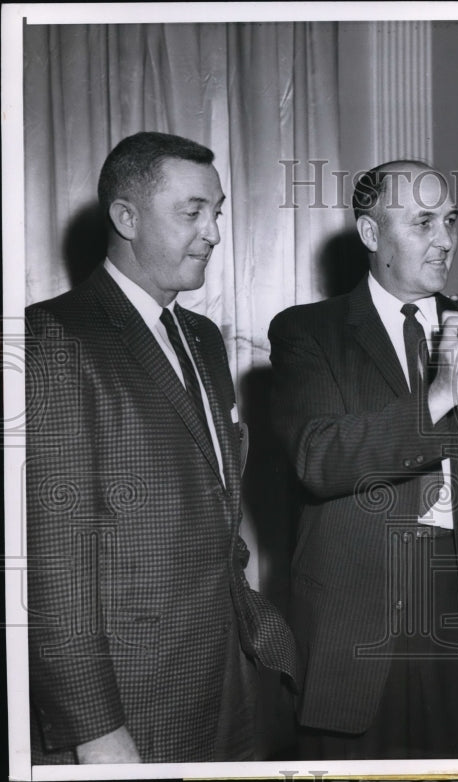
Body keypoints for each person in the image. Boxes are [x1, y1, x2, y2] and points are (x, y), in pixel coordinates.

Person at [26, 131, 297, 764]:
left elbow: (215, 508)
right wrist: (94, 729)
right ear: (125, 217)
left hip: (227, 680)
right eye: (192, 212)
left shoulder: (201, 336)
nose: (213, 233)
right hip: (131, 700)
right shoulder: (52, 339)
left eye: (218, 211)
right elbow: (53, 561)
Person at [268, 160, 458, 759]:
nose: (445, 239)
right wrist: (441, 392)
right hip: (362, 628)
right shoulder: (308, 332)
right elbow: (319, 458)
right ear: (371, 235)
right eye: (423, 223)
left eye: (449, 220)